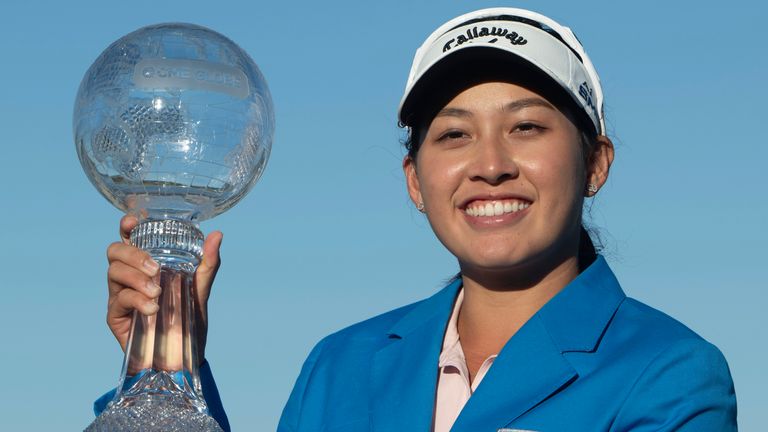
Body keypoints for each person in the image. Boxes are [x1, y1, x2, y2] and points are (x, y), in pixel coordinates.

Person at [99, 7, 737, 432]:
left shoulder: (669, 374)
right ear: (415, 181)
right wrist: (170, 368)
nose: (490, 165)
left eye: (526, 127)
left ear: (595, 163)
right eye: (454, 135)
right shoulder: (340, 364)